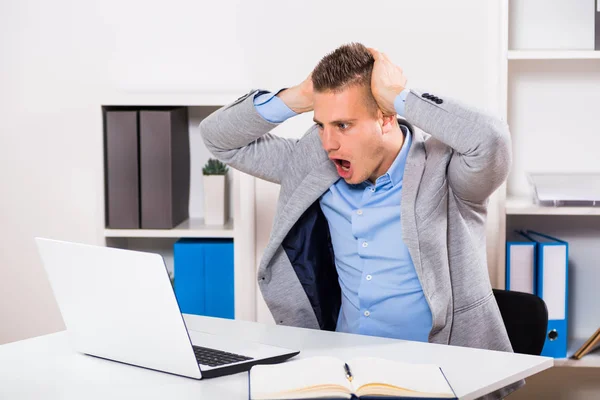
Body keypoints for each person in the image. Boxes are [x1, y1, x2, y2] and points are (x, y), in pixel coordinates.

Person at [200, 42, 519, 398]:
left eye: (343, 125)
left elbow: (491, 141)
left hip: (439, 376)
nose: (329, 143)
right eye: (321, 125)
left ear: (385, 118)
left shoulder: (447, 171)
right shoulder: (314, 167)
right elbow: (218, 139)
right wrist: (300, 96)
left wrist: (400, 96)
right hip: (342, 370)